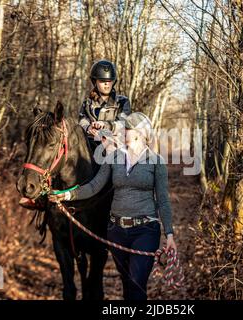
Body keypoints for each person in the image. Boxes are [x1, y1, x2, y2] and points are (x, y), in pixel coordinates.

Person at [49, 112, 177, 300]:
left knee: (136, 281)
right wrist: (67, 194)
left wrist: (170, 234)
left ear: (140, 133)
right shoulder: (114, 158)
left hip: (145, 230)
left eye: (128, 128)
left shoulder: (156, 162)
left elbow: (164, 200)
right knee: (127, 282)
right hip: (117, 232)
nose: (124, 131)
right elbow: (94, 186)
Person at [79, 59, 131, 154]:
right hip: (90, 146)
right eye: (102, 81)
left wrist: (104, 125)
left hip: (115, 146)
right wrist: (88, 128)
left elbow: (123, 123)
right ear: (95, 82)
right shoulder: (88, 103)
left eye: (109, 80)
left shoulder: (122, 102)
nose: (106, 84)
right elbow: (82, 120)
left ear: (113, 82)